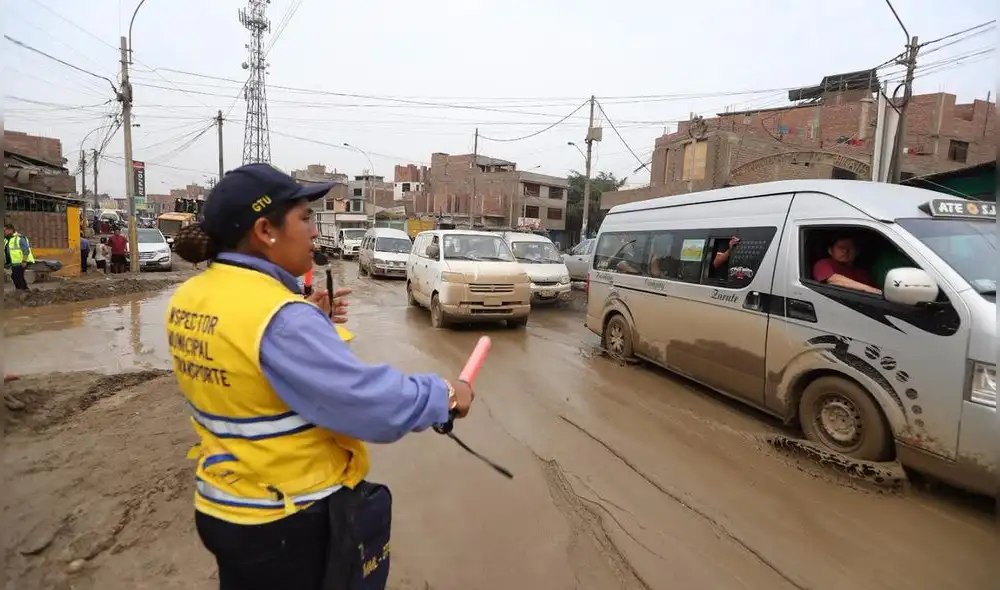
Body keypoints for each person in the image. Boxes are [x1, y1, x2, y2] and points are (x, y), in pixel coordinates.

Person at [167, 163, 475, 590]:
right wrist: (445, 394)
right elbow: (366, 404)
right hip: (286, 520)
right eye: (306, 218)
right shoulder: (280, 318)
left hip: (224, 507)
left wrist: (311, 317)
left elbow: (247, 372)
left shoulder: (193, 296)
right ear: (265, 230)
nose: (315, 233)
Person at [812, 236, 882, 295]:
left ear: (857, 252)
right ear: (830, 251)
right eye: (841, 247)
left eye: (850, 247)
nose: (845, 251)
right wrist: (872, 290)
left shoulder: (862, 272)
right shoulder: (823, 264)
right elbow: (833, 280)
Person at [4, 223, 34, 291]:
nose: (4, 232)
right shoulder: (7, 239)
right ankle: (20, 290)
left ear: (10, 230)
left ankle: (24, 290)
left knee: (18, 276)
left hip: (20, 262)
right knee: (15, 276)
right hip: (13, 262)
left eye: (4, 230)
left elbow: (26, 250)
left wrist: (24, 261)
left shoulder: (20, 238)